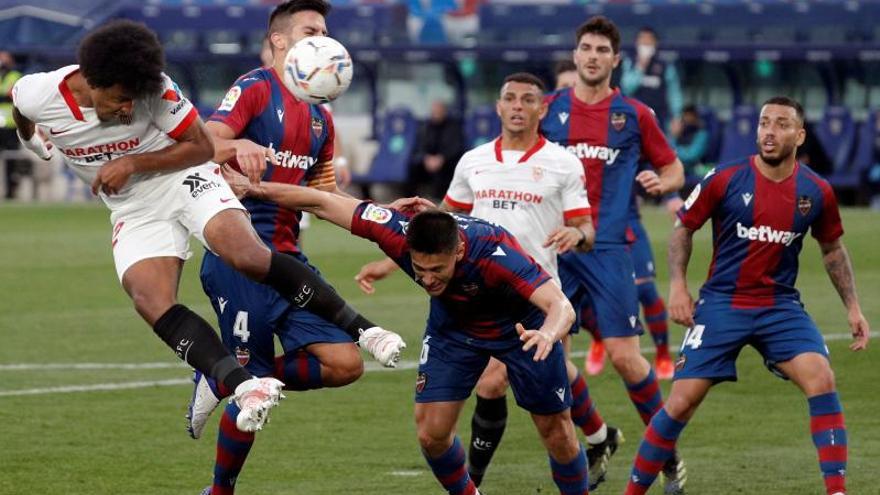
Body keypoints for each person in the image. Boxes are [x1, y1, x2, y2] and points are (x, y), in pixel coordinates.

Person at [10, 20, 403, 439]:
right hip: (134, 208)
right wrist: (33, 141)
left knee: (246, 255)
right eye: (121, 100)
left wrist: (133, 163)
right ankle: (243, 386)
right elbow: (21, 110)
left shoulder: (156, 90)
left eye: (132, 101)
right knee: (150, 299)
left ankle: (366, 330)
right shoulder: (39, 92)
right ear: (91, 82)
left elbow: (200, 146)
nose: (128, 109)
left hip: (183, 178)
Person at [222, 166, 592, 494]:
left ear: (459, 251)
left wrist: (547, 332)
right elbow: (320, 202)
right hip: (454, 329)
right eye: (419, 268)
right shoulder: (393, 229)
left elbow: (560, 306)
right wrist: (254, 189)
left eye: (438, 271)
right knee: (432, 435)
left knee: (557, 432)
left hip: (522, 332)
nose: (427, 279)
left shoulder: (494, 251)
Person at [357, 72, 619, 490]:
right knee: (495, 382)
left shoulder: (562, 163)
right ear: (498, 107)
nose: (517, 106)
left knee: (553, 416)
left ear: (542, 108)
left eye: (527, 99)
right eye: (509, 98)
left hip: (536, 300)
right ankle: (488, 475)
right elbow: (440, 226)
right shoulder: (473, 161)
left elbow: (586, 230)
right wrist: (390, 263)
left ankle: (598, 439)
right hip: (474, 296)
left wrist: (577, 235)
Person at [191, 2, 402, 493]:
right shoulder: (255, 87)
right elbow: (206, 141)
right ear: (282, 41)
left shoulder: (320, 121)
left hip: (289, 261)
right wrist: (231, 148)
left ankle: (225, 378)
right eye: (311, 30)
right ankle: (220, 488)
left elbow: (328, 199)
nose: (323, 38)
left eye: (326, 31)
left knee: (345, 364)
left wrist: (389, 214)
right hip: (238, 259)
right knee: (256, 395)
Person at [624, 96, 870, 495]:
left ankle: (837, 491)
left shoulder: (817, 191)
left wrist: (854, 307)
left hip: (780, 306)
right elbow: (684, 228)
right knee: (682, 402)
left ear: (799, 134)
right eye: (764, 123)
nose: (770, 132)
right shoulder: (724, 177)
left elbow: (832, 249)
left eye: (781, 124)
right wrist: (678, 287)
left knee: (822, 380)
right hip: (722, 303)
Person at [541, 16, 687, 493]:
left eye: (602, 50)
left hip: (607, 249)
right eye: (586, 47)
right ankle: (599, 436)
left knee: (626, 358)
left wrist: (659, 181)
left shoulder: (635, 115)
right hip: (555, 248)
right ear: (576, 53)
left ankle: (666, 453)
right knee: (552, 362)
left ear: (615, 60)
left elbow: (673, 168)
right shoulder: (548, 110)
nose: (592, 56)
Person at [554, 52, 675, 382]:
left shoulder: (629, 116)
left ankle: (662, 354)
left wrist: (670, 191)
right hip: (561, 239)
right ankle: (594, 430)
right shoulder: (549, 115)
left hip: (621, 227)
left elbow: (659, 164)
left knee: (646, 292)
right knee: (549, 355)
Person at [620, 27, 683, 132]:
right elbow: (626, 88)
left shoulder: (665, 66)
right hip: (634, 119)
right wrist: (640, 68)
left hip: (659, 119)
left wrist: (677, 117)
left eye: (649, 40)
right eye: (642, 40)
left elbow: (674, 93)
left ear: (655, 43)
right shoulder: (630, 63)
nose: (645, 43)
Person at [406, 100, 465, 200]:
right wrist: (426, 158)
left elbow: (456, 147)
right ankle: (412, 198)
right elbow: (420, 145)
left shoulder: (454, 127)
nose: (436, 114)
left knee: (446, 169)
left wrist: (442, 158)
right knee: (413, 166)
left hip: (447, 160)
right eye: (434, 111)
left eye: (439, 111)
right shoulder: (425, 126)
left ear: (444, 111)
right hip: (428, 160)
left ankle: (441, 199)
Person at [0, 51, 26, 199]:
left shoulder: (15, 76)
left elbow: (12, 95)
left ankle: (11, 191)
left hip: (10, 125)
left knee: (11, 160)